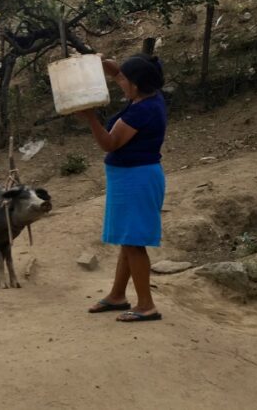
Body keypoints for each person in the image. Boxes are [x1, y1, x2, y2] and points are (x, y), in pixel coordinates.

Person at [77, 53, 167, 323]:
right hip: (131, 177)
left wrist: (91, 117)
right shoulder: (149, 96)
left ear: (136, 85)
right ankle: (118, 295)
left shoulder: (142, 111)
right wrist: (103, 65)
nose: (120, 83)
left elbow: (110, 143)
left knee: (134, 242)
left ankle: (146, 305)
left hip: (135, 179)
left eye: (125, 80)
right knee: (128, 240)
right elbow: (119, 75)